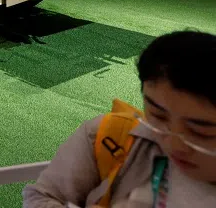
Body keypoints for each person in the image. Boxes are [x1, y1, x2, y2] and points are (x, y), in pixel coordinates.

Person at [24, 31, 216, 207]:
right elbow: (40, 197)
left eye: (200, 131)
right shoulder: (109, 137)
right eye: (158, 115)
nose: (174, 144)